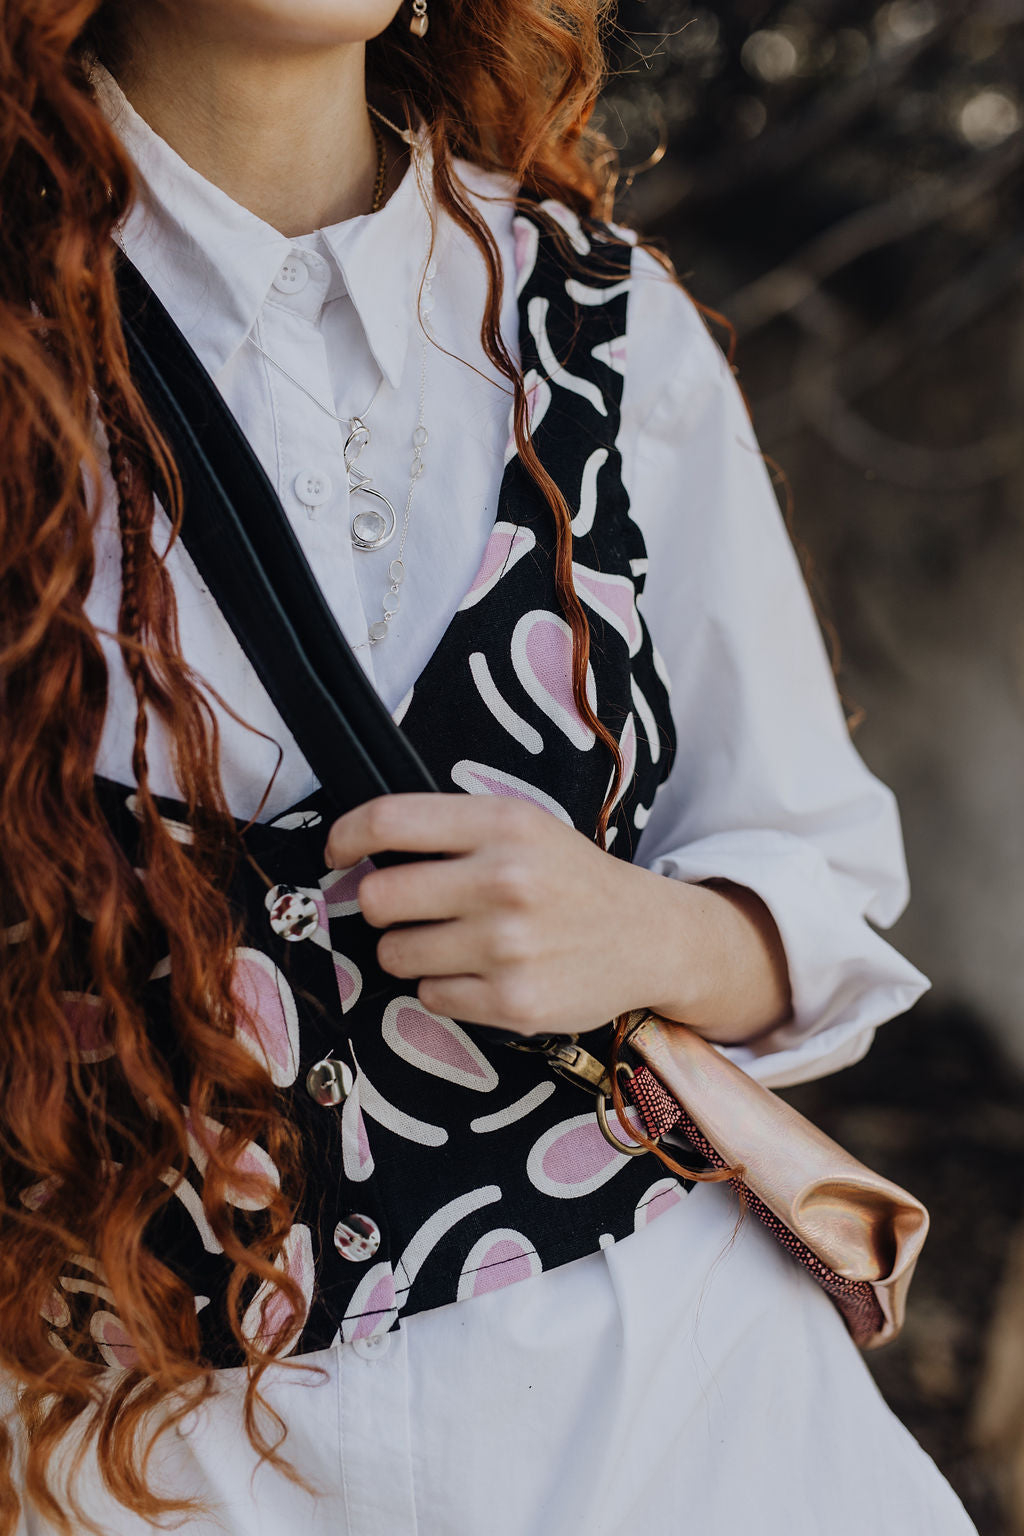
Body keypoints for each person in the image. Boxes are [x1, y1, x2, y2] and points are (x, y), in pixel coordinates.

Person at [0, 2, 977, 1532]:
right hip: (148, 1462)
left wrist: (645, 933)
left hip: (680, 1420)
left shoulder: (591, 315)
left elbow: (823, 879)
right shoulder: (19, 349)